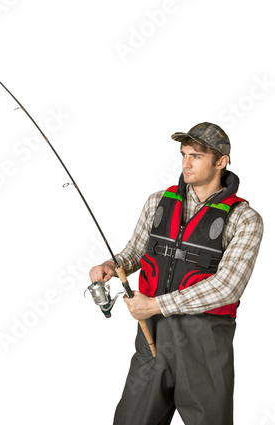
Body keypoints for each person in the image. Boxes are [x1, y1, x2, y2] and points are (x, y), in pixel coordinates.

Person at [89, 122, 263, 425]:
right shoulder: (158, 201)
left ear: (221, 161)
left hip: (204, 343)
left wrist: (156, 305)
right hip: (151, 335)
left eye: (196, 156)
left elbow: (227, 288)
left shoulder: (245, 219)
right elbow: (135, 252)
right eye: (183, 154)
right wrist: (110, 266)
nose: (186, 163)